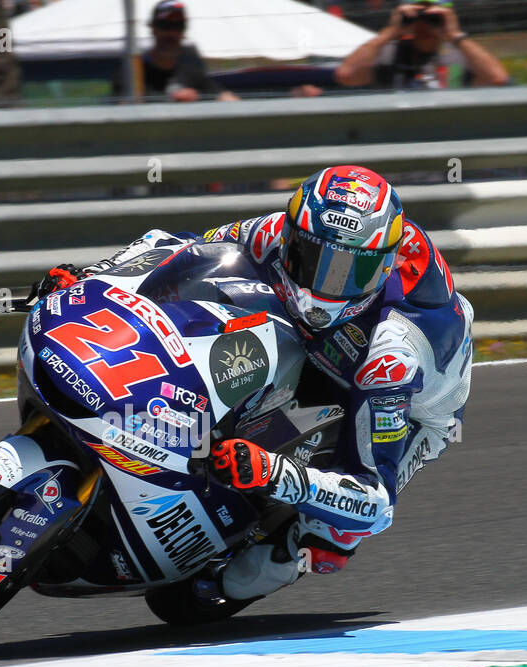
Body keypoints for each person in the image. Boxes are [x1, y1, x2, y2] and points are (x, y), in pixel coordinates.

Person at [31, 165, 473, 602]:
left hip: (411, 404)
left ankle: (260, 562)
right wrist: (94, 277)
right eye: (313, 259)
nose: (326, 284)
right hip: (320, 345)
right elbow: (176, 249)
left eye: (348, 273)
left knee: (329, 540)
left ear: (385, 266)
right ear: (292, 234)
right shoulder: (273, 232)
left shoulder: (393, 354)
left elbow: (376, 504)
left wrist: (277, 475)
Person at [335, 1, 509, 90]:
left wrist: (454, 35)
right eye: (419, 16)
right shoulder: (391, 54)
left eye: (433, 18)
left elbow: (497, 79)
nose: (425, 24)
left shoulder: (460, 56)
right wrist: (392, 31)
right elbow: (347, 75)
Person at [113, 1, 239, 102]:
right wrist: (172, 101)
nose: (172, 34)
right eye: (165, 26)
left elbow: (228, 99)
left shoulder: (191, 71)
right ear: (153, 28)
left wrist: (199, 97)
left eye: (178, 27)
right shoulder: (133, 74)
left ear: (184, 32)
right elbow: (122, 110)